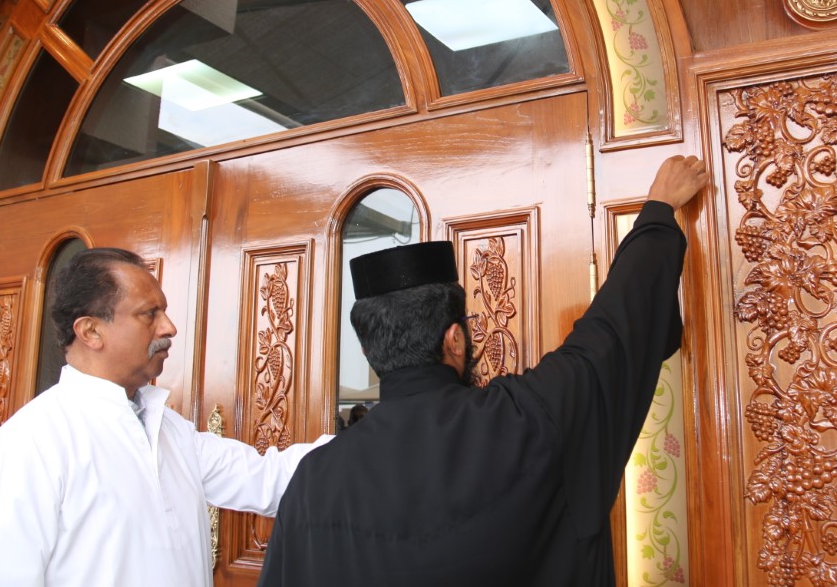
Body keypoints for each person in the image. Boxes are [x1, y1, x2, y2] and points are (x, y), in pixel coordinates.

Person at [258, 155, 709, 587]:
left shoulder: (312, 482)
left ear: (368, 351)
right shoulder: (527, 420)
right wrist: (658, 210)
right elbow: (610, 334)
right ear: (454, 340)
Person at [0, 248, 332, 586]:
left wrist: (366, 439)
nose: (169, 328)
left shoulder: (170, 431)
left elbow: (271, 480)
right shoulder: (23, 451)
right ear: (91, 331)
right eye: (149, 314)